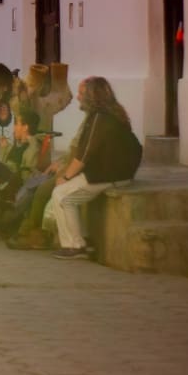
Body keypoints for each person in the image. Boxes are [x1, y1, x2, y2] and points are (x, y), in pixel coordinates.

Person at [46, 77, 142, 260]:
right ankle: (83, 241)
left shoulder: (100, 118)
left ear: (92, 96)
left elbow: (84, 154)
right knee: (67, 193)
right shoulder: (110, 114)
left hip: (107, 175)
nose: (78, 98)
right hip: (115, 173)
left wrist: (65, 178)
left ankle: (75, 246)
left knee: (61, 195)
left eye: (82, 93)